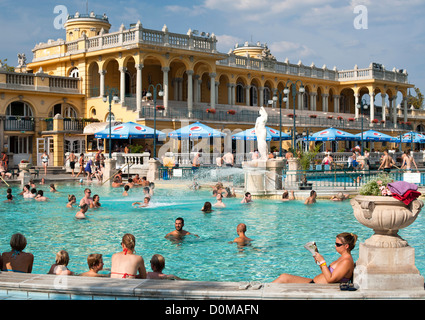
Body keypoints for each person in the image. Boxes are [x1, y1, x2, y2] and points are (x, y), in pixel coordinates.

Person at [272, 233, 357, 284]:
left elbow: (330, 279)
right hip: (314, 283)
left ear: (346, 246)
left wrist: (323, 261)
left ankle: (261, 295)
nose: (335, 246)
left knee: (284, 278)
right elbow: (326, 273)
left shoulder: (346, 261)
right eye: (335, 243)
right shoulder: (343, 258)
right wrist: (319, 260)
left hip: (316, 287)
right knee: (283, 277)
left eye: (338, 244)